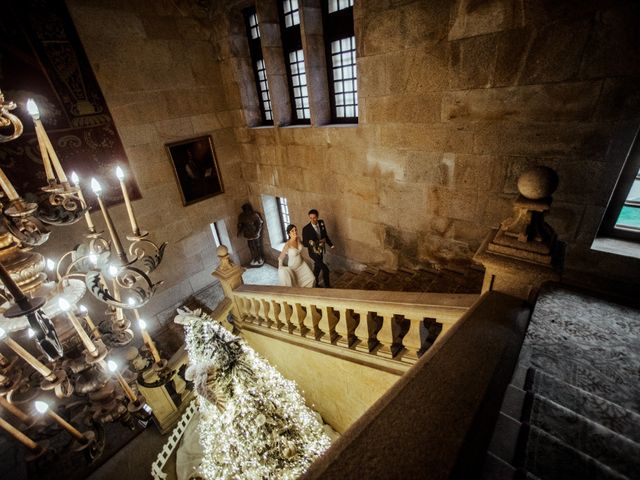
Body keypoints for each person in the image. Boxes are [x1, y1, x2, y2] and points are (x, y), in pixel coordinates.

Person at [302, 209, 334, 288]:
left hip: (321, 251)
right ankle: (327, 287)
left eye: (314, 217)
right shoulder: (306, 229)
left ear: (317, 217)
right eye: (311, 218)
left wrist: (331, 244)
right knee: (325, 269)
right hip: (313, 253)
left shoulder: (321, 222)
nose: (313, 219)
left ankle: (314, 283)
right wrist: (316, 242)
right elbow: (305, 244)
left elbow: (325, 235)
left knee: (317, 268)